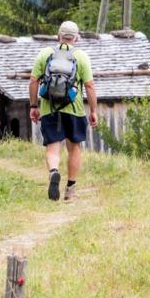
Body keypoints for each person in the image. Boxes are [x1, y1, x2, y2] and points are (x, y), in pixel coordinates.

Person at [29, 21, 98, 202]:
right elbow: (90, 86)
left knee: (53, 146)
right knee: (74, 148)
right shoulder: (81, 56)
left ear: (58, 36)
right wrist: (93, 111)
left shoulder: (45, 54)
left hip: (49, 108)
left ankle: (53, 172)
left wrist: (34, 106)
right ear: (76, 37)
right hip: (74, 109)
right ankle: (70, 190)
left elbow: (33, 81)